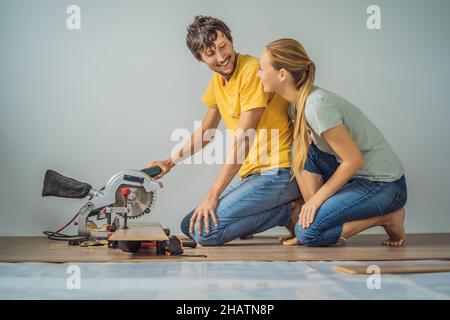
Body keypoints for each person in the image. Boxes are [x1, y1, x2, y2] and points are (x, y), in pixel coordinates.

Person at [146, 17, 300, 246]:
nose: (221, 57)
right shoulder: (218, 81)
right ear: (200, 58)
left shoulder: (251, 71)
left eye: (223, 46)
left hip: (278, 172)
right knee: (189, 225)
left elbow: (242, 141)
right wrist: (169, 162)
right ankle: (280, 210)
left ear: (230, 40)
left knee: (205, 233)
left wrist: (212, 195)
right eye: (210, 54)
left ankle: (288, 210)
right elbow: (206, 132)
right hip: (253, 175)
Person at [257, 38, 407, 247]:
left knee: (308, 234)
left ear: (282, 74)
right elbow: (307, 158)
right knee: (300, 149)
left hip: (384, 185)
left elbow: (353, 161)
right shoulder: (296, 107)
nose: (258, 74)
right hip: (356, 179)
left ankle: (389, 217)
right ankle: (313, 222)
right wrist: (311, 209)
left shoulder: (316, 106)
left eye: (261, 68)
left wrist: (316, 202)